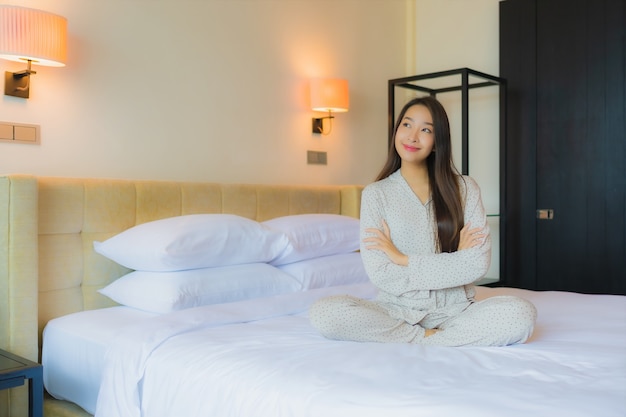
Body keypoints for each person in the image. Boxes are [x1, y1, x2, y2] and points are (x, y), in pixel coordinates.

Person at [309, 96, 536, 346]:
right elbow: (381, 273)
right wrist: (454, 262)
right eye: (406, 125)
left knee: (521, 313)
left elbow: (477, 264)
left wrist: (403, 260)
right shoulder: (376, 194)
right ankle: (429, 339)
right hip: (397, 311)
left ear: (438, 141)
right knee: (324, 314)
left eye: (426, 129)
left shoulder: (465, 188)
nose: (413, 136)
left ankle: (422, 340)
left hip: (456, 310)